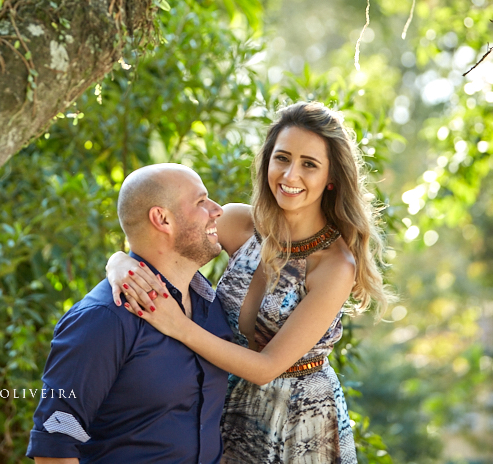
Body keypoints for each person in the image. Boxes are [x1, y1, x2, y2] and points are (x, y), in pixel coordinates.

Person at [106, 101, 391, 464]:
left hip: (298, 421)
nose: (290, 176)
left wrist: (177, 325)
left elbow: (266, 366)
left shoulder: (334, 266)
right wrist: (118, 262)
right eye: (283, 158)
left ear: (331, 178)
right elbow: (160, 240)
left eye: (309, 164)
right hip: (226, 403)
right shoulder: (240, 223)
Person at [27, 162, 233, 464]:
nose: (217, 211)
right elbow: (54, 445)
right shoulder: (104, 319)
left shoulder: (211, 306)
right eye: (202, 202)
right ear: (161, 218)